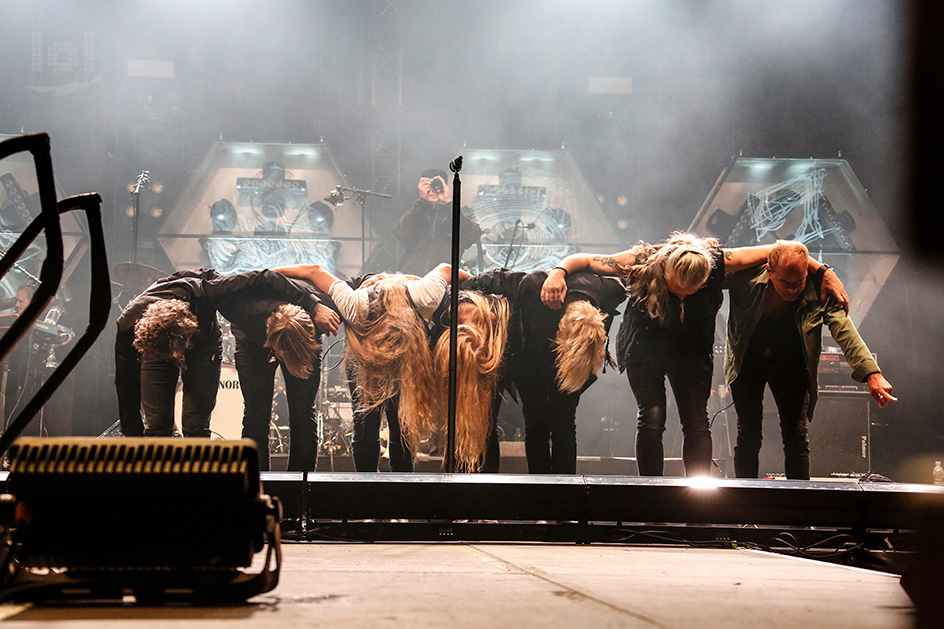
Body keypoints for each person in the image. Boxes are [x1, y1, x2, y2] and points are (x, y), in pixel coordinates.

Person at [541, 233, 848, 477]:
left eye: (694, 290)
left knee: (697, 421)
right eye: (679, 291)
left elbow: (785, 249)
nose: (685, 296)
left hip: (691, 351)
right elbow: (584, 260)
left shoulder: (720, 261)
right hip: (645, 347)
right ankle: (651, 494)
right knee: (652, 417)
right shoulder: (640, 261)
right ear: (665, 272)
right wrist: (558, 272)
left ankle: (696, 500)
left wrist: (826, 273)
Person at [724, 240, 896, 480]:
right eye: (784, 282)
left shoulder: (819, 288)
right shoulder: (746, 278)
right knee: (748, 435)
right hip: (747, 363)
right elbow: (710, 266)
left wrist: (872, 374)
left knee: (796, 436)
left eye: (799, 282)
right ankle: (745, 510)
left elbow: (845, 331)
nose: (793, 290)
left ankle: (799, 512)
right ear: (769, 271)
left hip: (793, 365)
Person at [276, 263, 468, 471]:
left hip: (407, 358)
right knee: (368, 422)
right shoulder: (357, 305)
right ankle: (369, 483)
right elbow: (447, 269)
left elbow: (314, 271)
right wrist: (267, 276)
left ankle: (400, 484)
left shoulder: (423, 295)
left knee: (400, 423)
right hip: (365, 359)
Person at [115, 268, 333, 441]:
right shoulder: (128, 326)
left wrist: (312, 304)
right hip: (157, 348)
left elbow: (265, 277)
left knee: (195, 425)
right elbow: (126, 384)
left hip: (202, 346)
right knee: (156, 425)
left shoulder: (206, 290)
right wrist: (132, 437)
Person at [458, 268, 626, 474]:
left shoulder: (608, 291)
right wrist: (476, 297)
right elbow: (490, 278)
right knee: (536, 420)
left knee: (563, 421)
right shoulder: (532, 284)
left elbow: (622, 279)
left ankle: (565, 487)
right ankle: (540, 485)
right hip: (527, 360)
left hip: (574, 364)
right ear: (561, 322)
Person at [213, 275, 340, 471]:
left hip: (300, 334)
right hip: (252, 341)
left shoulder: (321, 311)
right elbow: (267, 276)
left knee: (303, 410)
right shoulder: (243, 309)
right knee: (256, 413)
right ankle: (256, 483)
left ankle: (301, 485)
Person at [393, 169, 483, 276]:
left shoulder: (456, 215)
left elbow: (473, 234)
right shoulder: (416, 213)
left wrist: (448, 204)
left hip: (442, 282)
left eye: (437, 186)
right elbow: (400, 233)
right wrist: (422, 202)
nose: (433, 190)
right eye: (428, 186)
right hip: (411, 281)